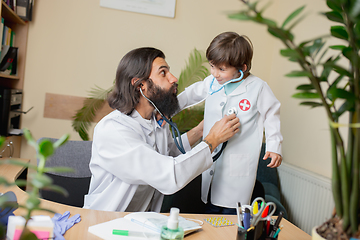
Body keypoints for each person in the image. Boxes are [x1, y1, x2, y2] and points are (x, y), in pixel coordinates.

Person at [83, 47, 240, 212]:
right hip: (104, 224)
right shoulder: (114, 130)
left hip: (140, 223)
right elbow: (169, 175)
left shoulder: (154, 121)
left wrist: (200, 131)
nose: (173, 78)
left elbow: (169, 153)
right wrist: (212, 140)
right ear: (140, 85)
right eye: (163, 73)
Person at [177, 32, 283, 214]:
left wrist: (274, 146)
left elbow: (272, 113)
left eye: (221, 69)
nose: (214, 73)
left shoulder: (258, 87)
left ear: (242, 67)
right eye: (212, 66)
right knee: (209, 210)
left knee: (231, 215)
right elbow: (189, 96)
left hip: (238, 166)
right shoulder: (212, 83)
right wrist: (164, 110)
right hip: (212, 161)